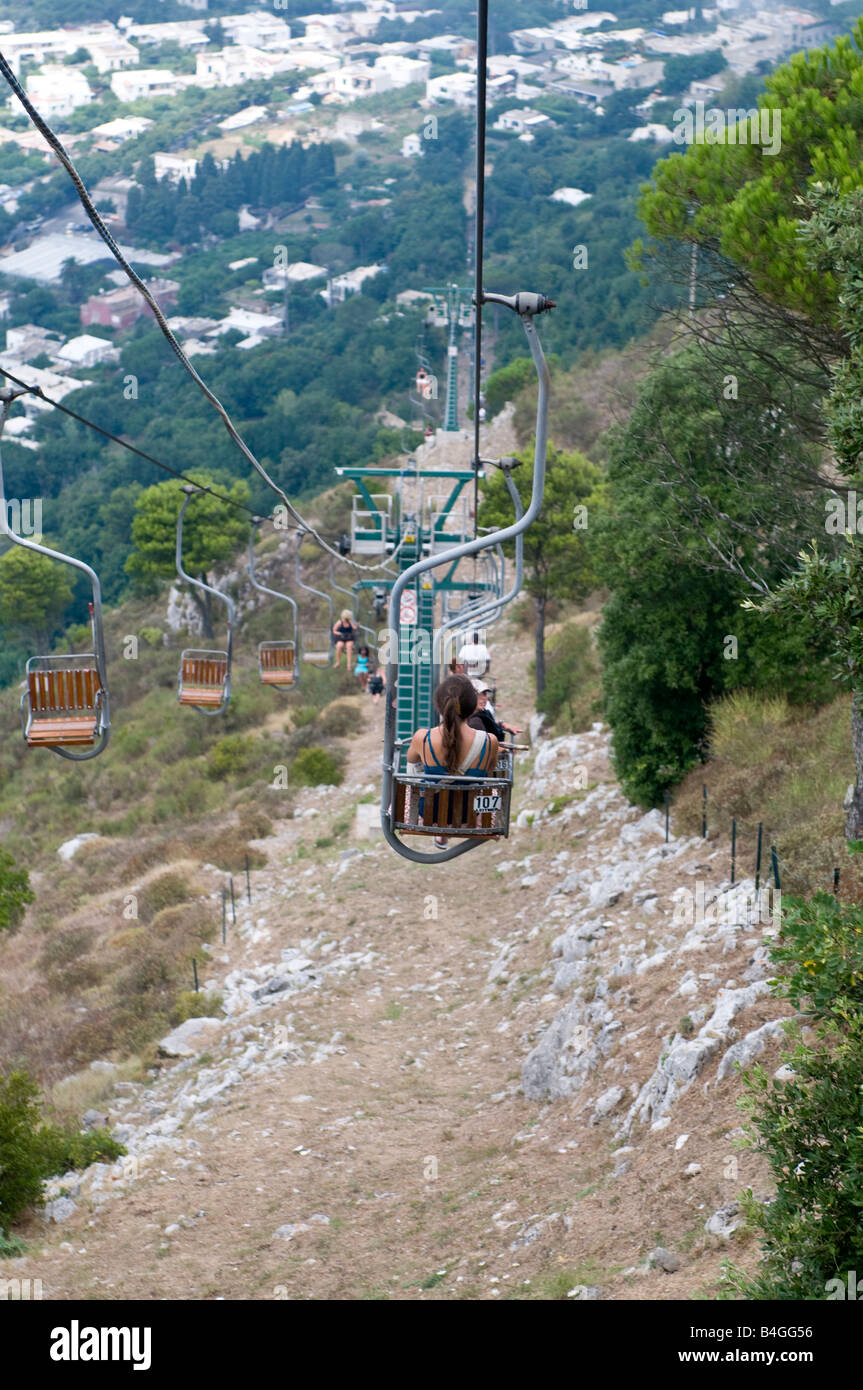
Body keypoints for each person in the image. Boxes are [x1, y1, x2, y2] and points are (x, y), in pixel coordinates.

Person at [406, 674, 498, 848]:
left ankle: (439, 832)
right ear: (472, 708)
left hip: (429, 815)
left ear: (439, 706)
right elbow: (488, 772)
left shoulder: (423, 738)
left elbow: (411, 767)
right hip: (468, 816)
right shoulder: (489, 741)